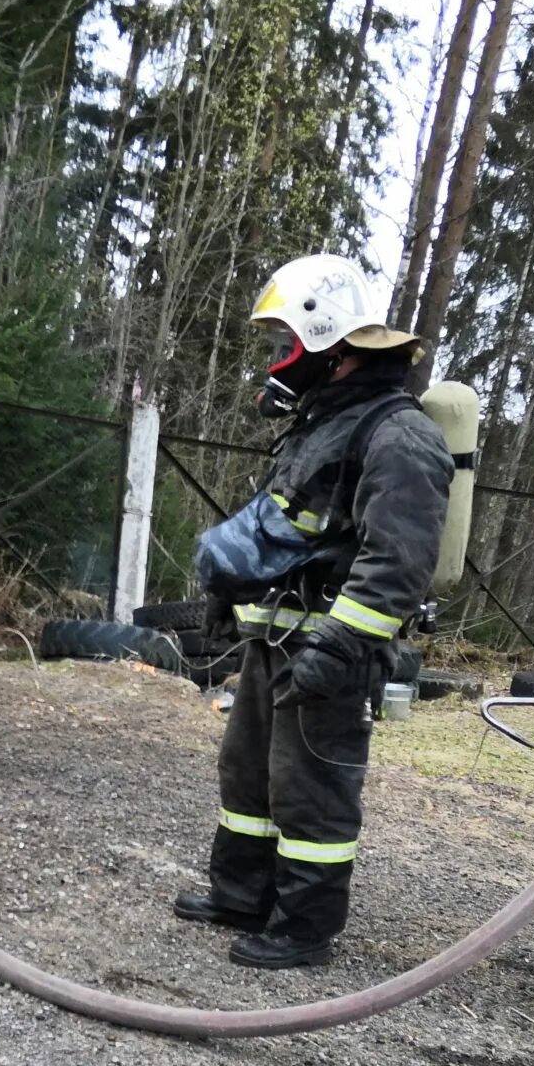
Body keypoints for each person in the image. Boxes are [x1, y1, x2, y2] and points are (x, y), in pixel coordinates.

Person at [171, 253, 454, 969]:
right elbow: (288, 528)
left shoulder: (399, 434)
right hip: (276, 639)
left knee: (313, 790)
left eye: (285, 344)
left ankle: (305, 927)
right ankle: (241, 894)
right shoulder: (322, 422)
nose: (278, 361)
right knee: (249, 778)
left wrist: (339, 646)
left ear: (327, 343)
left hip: (328, 651)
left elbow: (399, 560)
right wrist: (226, 592)